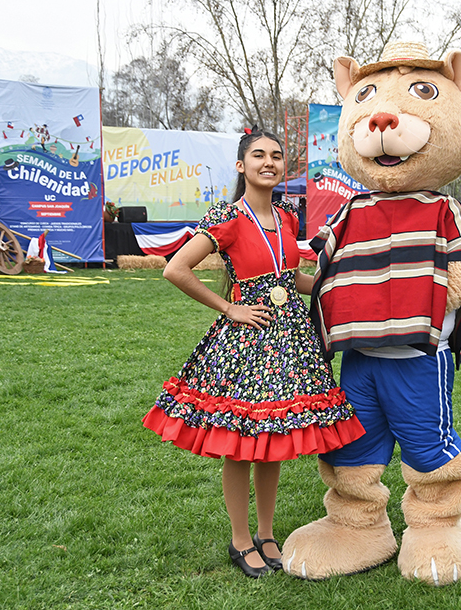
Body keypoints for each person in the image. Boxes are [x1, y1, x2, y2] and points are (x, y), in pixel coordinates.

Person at [141, 128, 365, 579]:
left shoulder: (285, 217)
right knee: (242, 445)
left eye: (277, 156)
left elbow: (291, 277)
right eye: (258, 155)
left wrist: (342, 282)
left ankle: (266, 533)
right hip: (247, 340)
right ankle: (240, 538)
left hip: (289, 339)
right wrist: (228, 307)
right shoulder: (227, 217)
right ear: (241, 166)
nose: (269, 162)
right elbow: (175, 269)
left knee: (272, 445)